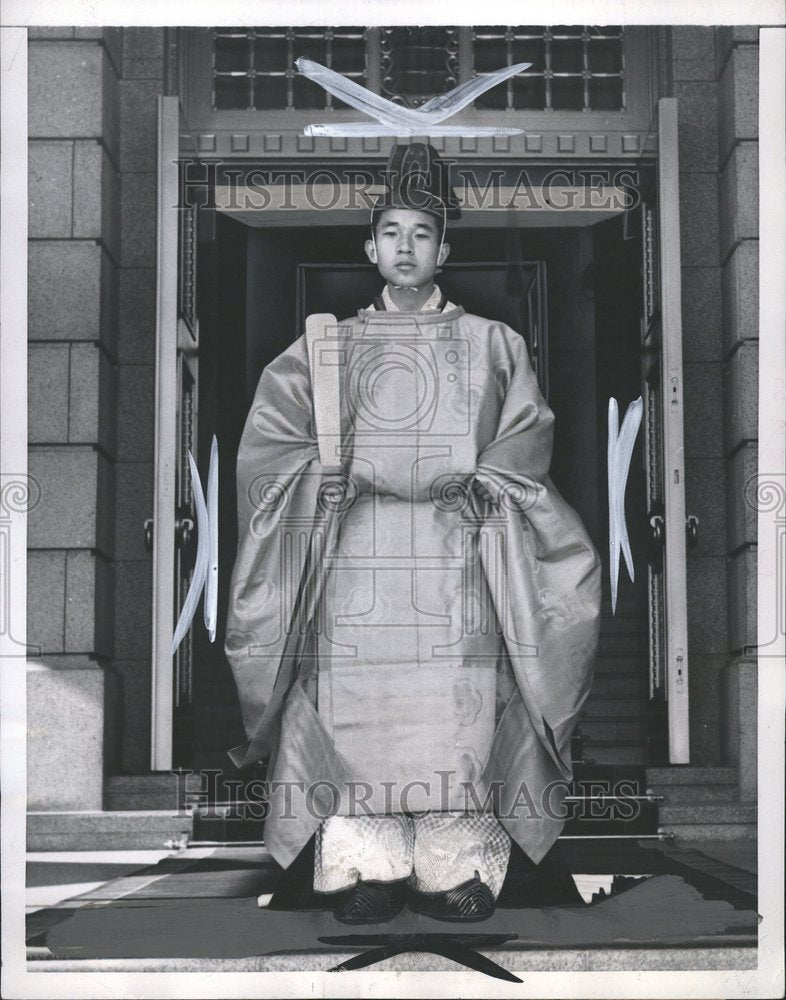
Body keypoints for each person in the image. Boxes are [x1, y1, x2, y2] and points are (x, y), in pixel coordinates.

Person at [224, 143, 601, 924]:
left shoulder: (495, 345)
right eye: (390, 232)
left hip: (456, 557)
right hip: (355, 562)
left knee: (458, 714)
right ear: (369, 247)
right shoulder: (325, 351)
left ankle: (454, 869)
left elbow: (526, 439)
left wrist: (486, 482)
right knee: (353, 718)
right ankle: (367, 868)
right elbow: (272, 446)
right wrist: (317, 479)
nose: (405, 247)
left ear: (445, 248)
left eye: (421, 233)